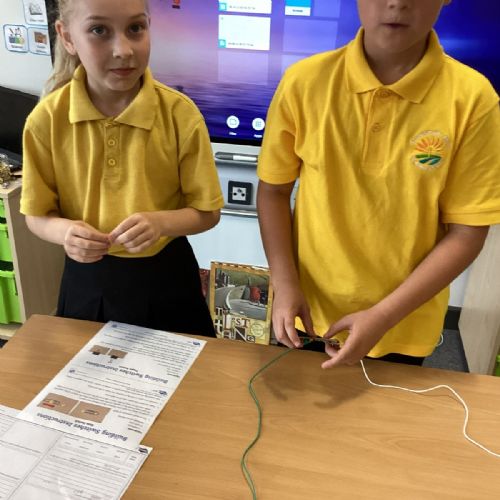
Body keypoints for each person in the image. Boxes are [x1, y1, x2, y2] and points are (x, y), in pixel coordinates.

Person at [257, 0, 500, 367]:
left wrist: (384, 315)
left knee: (384, 405)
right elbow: (273, 191)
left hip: (404, 319)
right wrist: (285, 282)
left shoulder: (473, 99)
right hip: (307, 308)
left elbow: (467, 232)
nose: (397, 4)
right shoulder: (304, 82)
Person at [20, 0, 224, 336]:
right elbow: (37, 215)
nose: (124, 50)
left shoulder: (180, 114)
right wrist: (65, 233)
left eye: (135, 28)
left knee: (187, 368)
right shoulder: (46, 120)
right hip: (87, 281)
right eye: (99, 30)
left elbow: (208, 212)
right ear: (67, 37)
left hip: (168, 278)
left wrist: (160, 223)